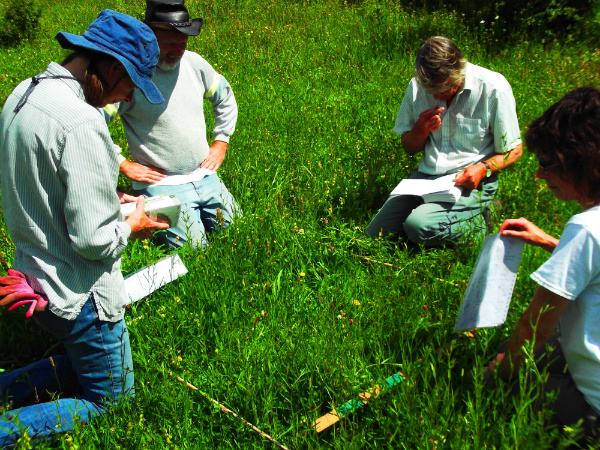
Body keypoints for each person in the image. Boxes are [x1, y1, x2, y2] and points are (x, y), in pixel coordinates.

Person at [0, 10, 168, 446]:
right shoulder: (82, 121)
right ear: (112, 68)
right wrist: (131, 224)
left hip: (35, 279)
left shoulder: (25, 92)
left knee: (77, 364)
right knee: (111, 402)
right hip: (81, 297)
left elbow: (45, 184)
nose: (127, 98)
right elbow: (93, 242)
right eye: (130, 85)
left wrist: (108, 200)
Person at [489, 87, 600, 444]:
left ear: (584, 163)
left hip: (593, 410)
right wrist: (552, 242)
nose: (539, 175)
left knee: (505, 358)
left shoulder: (585, 230)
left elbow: (535, 325)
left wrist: (500, 372)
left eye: (548, 165)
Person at [366, 36, 522, 246]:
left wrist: (482, 169)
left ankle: (484, 220)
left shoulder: (493, 88)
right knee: (375, 235)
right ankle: (446, 222)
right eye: (432, 91)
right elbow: (409, 148)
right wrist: (421, 129)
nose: (437, 96)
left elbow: (515, 150)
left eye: (445, 89)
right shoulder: (417, 86)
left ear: (460, 72)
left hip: (471, 181)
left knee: (417, 226)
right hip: (426, 179)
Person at [112, 0, 241, 250]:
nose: (178, 50)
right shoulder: (131, 75)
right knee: (194, 250)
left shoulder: (194, 64)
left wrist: (221, 141)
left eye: (183, 43)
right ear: (149, 39)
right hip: (161, 185)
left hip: (204, 174)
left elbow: (224, 96)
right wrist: (122, 163)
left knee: (238, 235)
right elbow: (91, 123)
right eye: (170, 43)